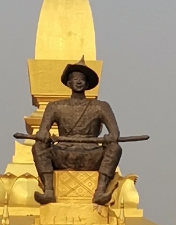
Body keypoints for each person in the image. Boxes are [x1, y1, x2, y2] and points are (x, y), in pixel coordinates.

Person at [32, 61, 122, 206]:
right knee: (38, 146)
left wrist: (110, 138)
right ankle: (48, 189)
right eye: (75, 79)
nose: (79, 82)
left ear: (87, 85)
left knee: (115, 148)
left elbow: (115, 132)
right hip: (63, 153)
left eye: (82, 80)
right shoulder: (55, 106)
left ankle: (100, 190)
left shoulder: (100, 106)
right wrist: (44, 135)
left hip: (91, 154)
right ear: (69, 83)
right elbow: (43, 130)